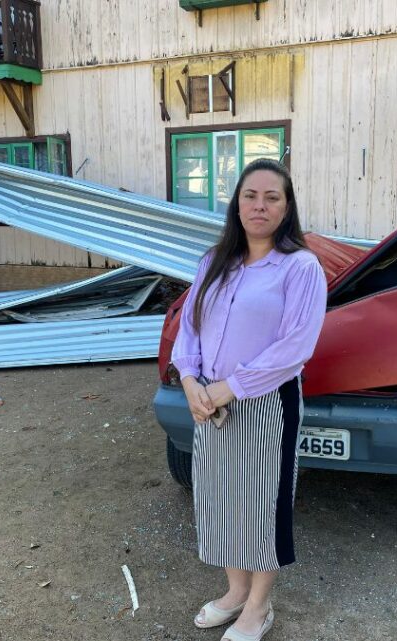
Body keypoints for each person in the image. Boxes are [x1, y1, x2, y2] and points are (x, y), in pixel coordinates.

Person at [170, 158, 327, 641]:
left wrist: (228, 387)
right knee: (219, 500)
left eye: (271, 197)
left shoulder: (300, 268)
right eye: (250, 196)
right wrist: (190, 380)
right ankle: (236, 591)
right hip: (208, 401)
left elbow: (296, 347)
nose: (259, 206)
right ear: (236, 204)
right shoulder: (214, 261)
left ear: (286, 207)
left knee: (262, 504)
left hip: (266, 403)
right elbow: (189, 328)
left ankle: (259, 608)